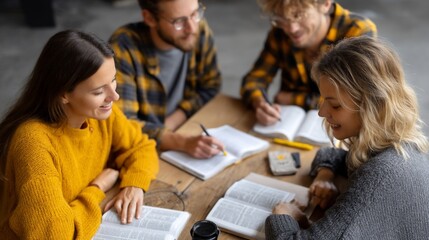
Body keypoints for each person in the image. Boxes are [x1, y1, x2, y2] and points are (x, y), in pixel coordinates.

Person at [264, 36, 429, 239]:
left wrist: (284, 215)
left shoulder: (379, 176)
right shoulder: (400, 146)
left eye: (335, 105)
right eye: (323, 100)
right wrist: (325, 175)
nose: (322, 112)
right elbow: (336, 155)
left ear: (372, 106)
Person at [0, 30, 159, 239]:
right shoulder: (33, 144)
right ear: (63, 94)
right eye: (98, 91)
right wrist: (97, 187)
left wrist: (134, 185)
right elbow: (57, 235)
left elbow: (142, 146)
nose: (114, 96)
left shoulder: (100, 114)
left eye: (113, 80)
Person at [109, 0, 225, 159]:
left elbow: (211, 85)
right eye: (179, 21)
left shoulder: (198, 29)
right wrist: (182, 142)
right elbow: (123, 125)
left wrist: (175, 119)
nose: (191, 28)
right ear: (149, 18)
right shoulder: (123, 47)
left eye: (194, 14)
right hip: (140, 150)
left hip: (183, 129)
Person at [241, 0, 377, 126]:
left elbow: (355, 99)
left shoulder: (358, 32)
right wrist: (259, 103)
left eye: (298, 15)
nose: (291, 29)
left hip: (341, 129)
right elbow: (253, 80)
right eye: (282, 18)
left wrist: (293, 99)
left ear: (325, 4)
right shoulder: (279, 34)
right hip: (287, 124)